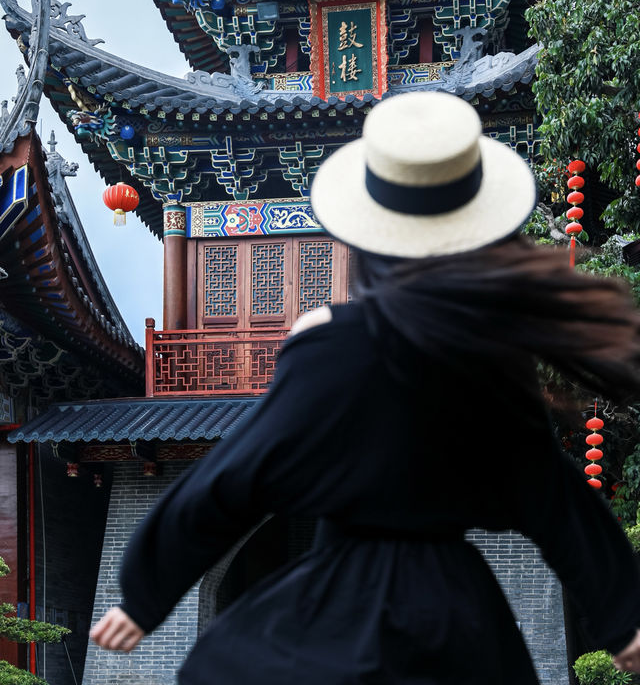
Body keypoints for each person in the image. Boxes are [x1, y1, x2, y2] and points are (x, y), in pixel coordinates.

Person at [91, 92, 640, 683]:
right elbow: (558, 503)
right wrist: (621, 621)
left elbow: (235, 477)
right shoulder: (491, 359)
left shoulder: (325, 345)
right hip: (458, 620)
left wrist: (145, 595)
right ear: (478, 237)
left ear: (368, 244)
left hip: (336, 605)